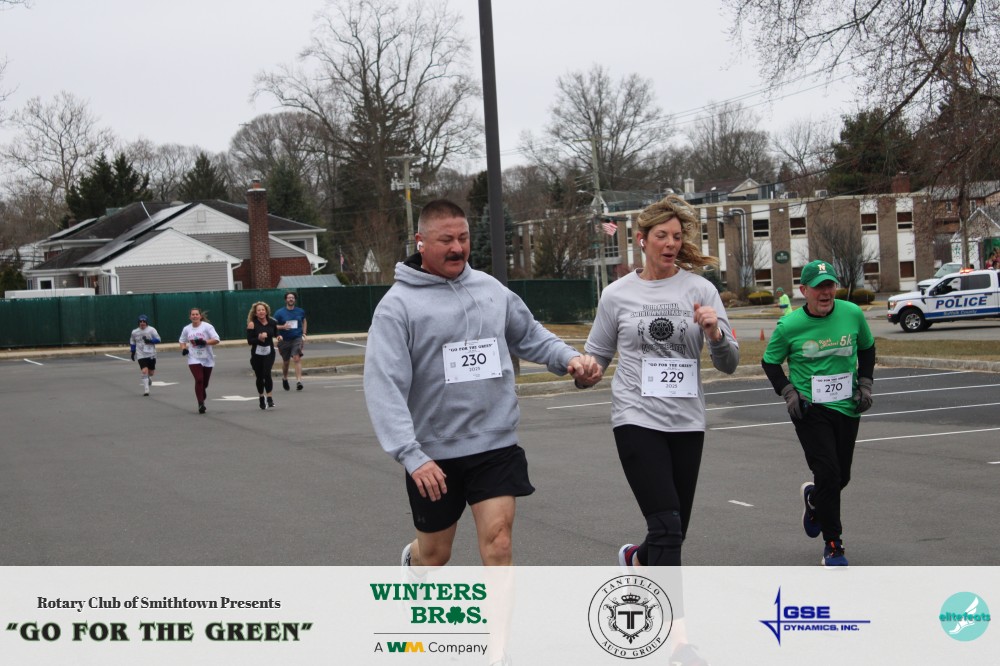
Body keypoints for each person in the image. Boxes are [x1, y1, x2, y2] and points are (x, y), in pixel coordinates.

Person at [363, 199, 602, 569]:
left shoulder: (491, 289)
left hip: (495, 444)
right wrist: (410, 454)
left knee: (499, 543)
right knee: (435, 554)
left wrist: (569, 358)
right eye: (446, 240)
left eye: (463, 238)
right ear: (420, 242)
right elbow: (383, 385)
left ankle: (501, 613)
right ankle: (415, 559)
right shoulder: (397, 307)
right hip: (434, 455)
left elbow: (529, 334)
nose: (457, 248)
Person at [583, 194, 738, 665]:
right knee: (667, 526)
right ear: (641, 240)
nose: (670, 244)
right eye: (661, 236)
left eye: (676, 236)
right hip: (636, 419)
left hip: (686, 422)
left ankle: (638, 559)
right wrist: (584, 371)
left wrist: (715, 334)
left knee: (672, 532)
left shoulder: (700, 290)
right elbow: (597, 357)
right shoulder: (617, 295)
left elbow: (729, 363)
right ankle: (677, 642)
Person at [761, 260, 875, 568]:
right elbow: (770, 362)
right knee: (828, 473)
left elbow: (867, 348)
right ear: (804, 290)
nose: (826, 293)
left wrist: (865, 385)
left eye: (830, 286)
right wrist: (789, 393)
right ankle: (833, 545)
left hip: (847, 405)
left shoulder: (852, 313)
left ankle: (815, 500)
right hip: (810, 409)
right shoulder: (790, 326)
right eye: (818, 287)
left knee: (840, 477)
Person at [178, 307, 221, 414]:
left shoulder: (207, 327)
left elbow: (216, 340)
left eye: (197, 314)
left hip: (207, 358)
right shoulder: (187, 329)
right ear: (190, 317)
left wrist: (204, 342)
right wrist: (184, 349)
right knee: (199, 379)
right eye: (193, 314)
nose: (195, 316)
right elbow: (182, 340)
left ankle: (202, 392)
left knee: (204, 383)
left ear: (200, 316)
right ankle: (201, 403)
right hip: (193, 357)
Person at [247, 301, 282, 410]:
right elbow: (249, 341)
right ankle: (261, 397)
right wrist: (259, 338)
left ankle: (270, 398)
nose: (261, 312)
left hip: (269, 352)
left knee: (267, 373)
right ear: (255, 313)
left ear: (266, 311)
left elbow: (276, 332)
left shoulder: (272, 322)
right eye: (259, 310)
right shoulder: (252, 324)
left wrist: (279, 337)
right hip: (257, 354)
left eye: (263, 310)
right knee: (259, 376)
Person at [274, 291, 307, 391]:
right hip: (284, 340)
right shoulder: (279, 313)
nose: (291, 299)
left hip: (297, 338)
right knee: (286, 362)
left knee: (296, 358)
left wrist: (304, 333)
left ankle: (299, 381)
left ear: (295, 300)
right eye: (289, 297)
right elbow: (273, 326)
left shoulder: (300, 311)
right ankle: (285, 378)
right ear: (286, 300)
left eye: (292, 297)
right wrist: (282, 327)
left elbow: (304, 321)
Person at [128, 314, 160, 396]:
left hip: (151, 354)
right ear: (138, 323)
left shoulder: (151, 330)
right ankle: (146, 389)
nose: (142, 323)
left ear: (146, 322)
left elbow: (158, 339)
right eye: (140, 321)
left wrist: (150, 341)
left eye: (144, 321)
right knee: (144, 371)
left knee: (151, 372)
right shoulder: (134, 332)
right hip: (141, 354)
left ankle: (149, 377)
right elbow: (132, 341)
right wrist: (132, 351)